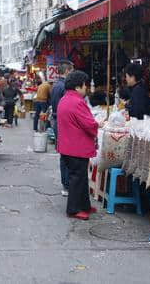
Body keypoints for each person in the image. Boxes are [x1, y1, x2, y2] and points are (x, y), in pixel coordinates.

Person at [56, 71, 98, 220]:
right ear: (78, 86)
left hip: (68, 146)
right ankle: (73, 210)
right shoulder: (77, 102)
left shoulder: (64, 99)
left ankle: (84, 205)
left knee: (80, 177)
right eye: (85, 85)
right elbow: (89, 124)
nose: (86, 88)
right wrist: (98, 125)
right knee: (77, 178)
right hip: (76, 147)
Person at [50, 61, 74, 196]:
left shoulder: (56, 85)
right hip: (62, 122)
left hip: (57, 120)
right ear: (66, 72)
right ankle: (66, 184)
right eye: (72, 71)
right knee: (66, 154)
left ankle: (66, 184)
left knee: (63, 153)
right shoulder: (64, 86)